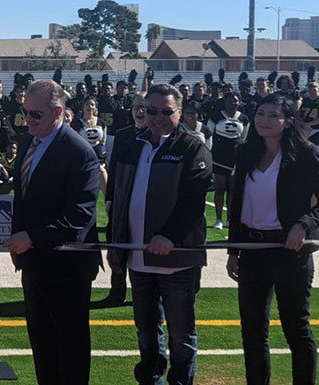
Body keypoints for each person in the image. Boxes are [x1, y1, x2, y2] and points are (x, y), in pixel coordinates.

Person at [107, 84, 212, 385]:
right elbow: (115, 194)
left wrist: (169, 235)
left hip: (177, 258)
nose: (158, 118)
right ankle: (151, 379)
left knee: (181, 333)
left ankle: (180, 381)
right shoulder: (130, 143)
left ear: (180, 112)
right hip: (137, 256)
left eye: (166, 112)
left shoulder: (192, 147)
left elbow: (193, 202)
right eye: (151, 111)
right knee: (146, 330)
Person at [3, 79, 102, 384]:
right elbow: (22, 199)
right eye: (25, 113)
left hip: (67, 266)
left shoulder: (79, 152)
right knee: (42, 345)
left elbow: (80, 215)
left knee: (69, 349)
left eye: (36, 115)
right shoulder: (30, 143)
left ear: (58, 112)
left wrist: (31, 236)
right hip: (34, 263)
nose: (28, 120)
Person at [226, 94, 319, 385]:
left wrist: (304, 225)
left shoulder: (306, 154)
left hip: (291, 251)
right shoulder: (245, 152)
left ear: (288, 121)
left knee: (296, 328)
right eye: (261, 114)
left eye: (273, 115)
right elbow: (237, 202)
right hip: (252, 250)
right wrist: (233, 249)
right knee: (252, 331)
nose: (264, 121)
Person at [101, 91, 147, 306]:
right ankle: (116, 291)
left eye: (144, 107)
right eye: (136, 106)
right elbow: (115, 169)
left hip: (143, 201)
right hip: (121, 200)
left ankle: (142, 292)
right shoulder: (123, 135)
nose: (140, 111)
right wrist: (109, 199)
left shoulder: (156, 137)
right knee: (117, 247)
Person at [208, 92, 250, 230]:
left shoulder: (244, 118)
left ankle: (230, 219)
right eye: (230, 101)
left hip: (236, 157)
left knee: (232, 190)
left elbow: (244, 138)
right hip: (219, 157)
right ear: (225, 102)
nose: (233, 103)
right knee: (220, 189)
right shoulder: (216, 116)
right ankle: (218, 219)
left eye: (236, 101)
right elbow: (209, 134)